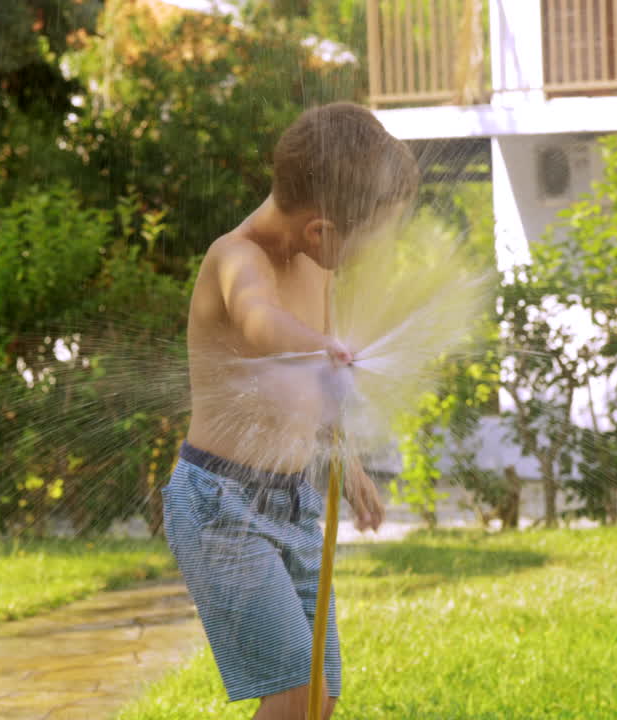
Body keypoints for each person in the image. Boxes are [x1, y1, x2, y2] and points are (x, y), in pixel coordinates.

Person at [161, 101, 419, 720]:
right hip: (221, 506)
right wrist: (318, 344)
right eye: (369, 240)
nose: (370, 254)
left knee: (318, 696)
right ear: (320, 232)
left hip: (295, 499)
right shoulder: (237, 258)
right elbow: (260, 322)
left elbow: (316, 390)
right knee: (294, 692)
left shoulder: (315, 265)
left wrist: (345, 464)